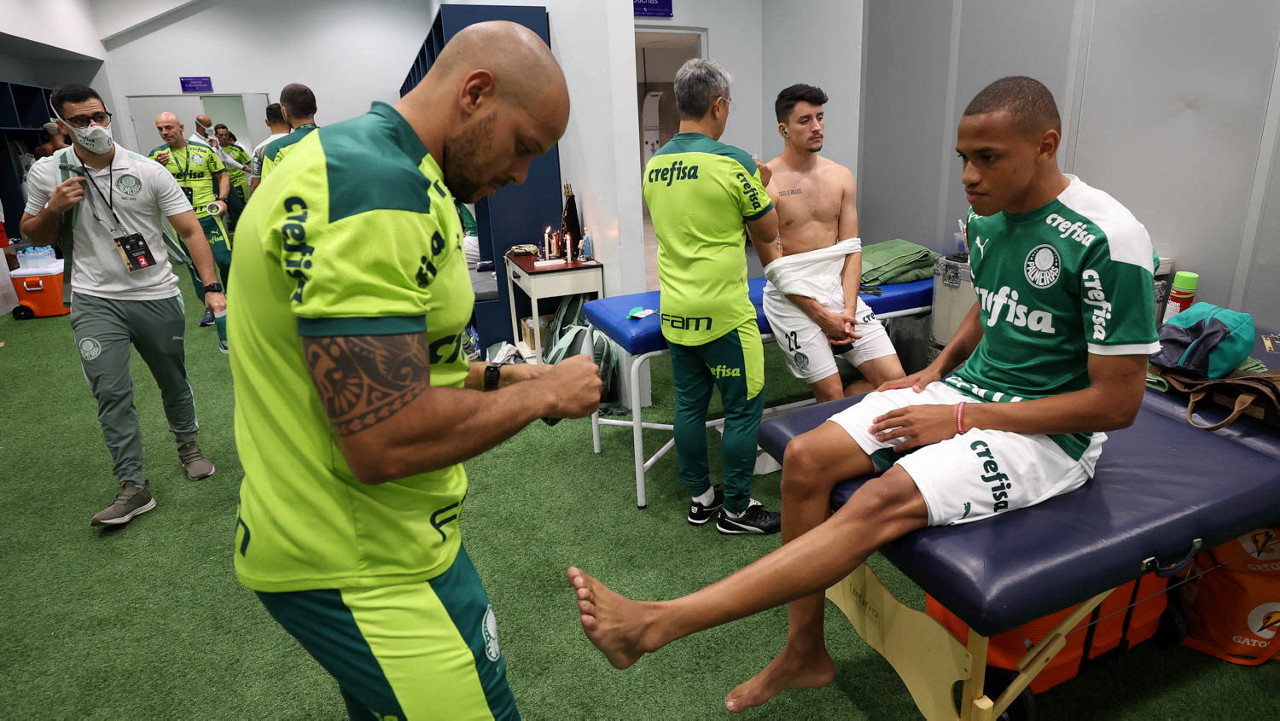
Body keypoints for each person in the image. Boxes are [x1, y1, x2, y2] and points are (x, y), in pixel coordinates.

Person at [566, 76, 1161, 713]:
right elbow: (992, 305)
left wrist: (962, 415)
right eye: (963, 157)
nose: (969, 176)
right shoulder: (988, 221)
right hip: (965, 392)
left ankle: (661, 622)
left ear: (1046, 145)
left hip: (1049, 434)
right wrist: (936, 372)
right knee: (804, 459)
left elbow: (1116, 405)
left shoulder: (1108, 237)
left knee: (881, 499)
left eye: (988, 158)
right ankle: (804, 651)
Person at [230, 21, 598, 719]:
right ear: (475, 93)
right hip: (362, 560)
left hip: (389, 537)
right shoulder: (375, 191)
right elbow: (384, 436)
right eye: (523, 145)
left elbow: (404, 365)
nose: (522, 174)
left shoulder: (379, 167)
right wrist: (547, 392)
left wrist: (503, 378)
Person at [19, 83, 227, 527]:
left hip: (155, 294)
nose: (93, 126)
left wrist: (211, 287)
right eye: (80, 120)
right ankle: (133, 486)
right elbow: (32, 232)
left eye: (99, 116)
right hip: (94, 298)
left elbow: (191, 230)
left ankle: (188, 445)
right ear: (62, 125)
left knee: (172, 378)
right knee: (110, 391)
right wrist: (54, 208)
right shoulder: (47, 172)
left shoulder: (147, 169)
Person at [642, 58, 783, 535]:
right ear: (718, 106)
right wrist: (761, 182)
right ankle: (737, 510)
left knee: (689, 405)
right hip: (724, 314)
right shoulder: (733, 161)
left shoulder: (654, 166)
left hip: (675, 310)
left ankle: (701, 500)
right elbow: (768, 229)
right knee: (743, 407)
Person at [761, 84, 905, 402]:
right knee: (831, 394)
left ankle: (850, 410)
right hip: (791, 296)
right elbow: (773, 266)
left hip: (837, 291)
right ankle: (835, 418)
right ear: (783, 129)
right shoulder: (767, 184)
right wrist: (824, 318)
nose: (816, 127)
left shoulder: (841, 176)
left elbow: (852, 250)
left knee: (895, 381)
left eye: (820, 117)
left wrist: (848, 311)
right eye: (805, 120)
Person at [150, 112, 232, 350]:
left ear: (181, 127)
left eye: (168, 127)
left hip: (208, 216)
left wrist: (222, 199)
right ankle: (210, 307)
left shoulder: (203, 151)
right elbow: (147, 185)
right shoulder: (155, 156)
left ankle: (231, 300)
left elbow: (222, 176)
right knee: (195, 267)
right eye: (160, 129)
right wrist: (156, 168)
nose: (164, 132)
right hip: (182, 220)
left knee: (225, 260)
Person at [257, 83, 318, 179]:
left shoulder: (276, 149)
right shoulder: (336, 139)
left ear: (285, 111)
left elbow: (270, 186)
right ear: (315, 109)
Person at [214, 124, 252, 227]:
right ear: (216, 135)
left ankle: (246, 227)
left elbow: (249, 163)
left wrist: (249, 170)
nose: (223, 137)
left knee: (241, 206)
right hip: (224, 183)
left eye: (226, 135)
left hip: (239, 181)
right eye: (221, 135)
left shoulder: (237, 149)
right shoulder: (214, 150)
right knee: (228, 208)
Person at [249, 103, 290, 195]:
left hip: (274, 197)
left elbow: (255, 184)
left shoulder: (259, 149)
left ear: (267, 122)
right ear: (288, 118)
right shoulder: (301, 142)